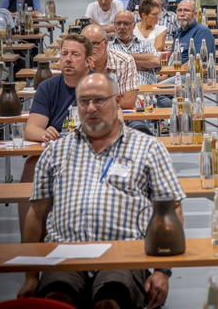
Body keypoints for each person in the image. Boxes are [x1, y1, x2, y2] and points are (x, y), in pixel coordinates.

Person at [17, 72, 185, 309]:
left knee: (110, 300)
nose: (91, 108)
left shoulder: (148, 148)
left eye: (99, 100)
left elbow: (173, 210)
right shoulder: (56, 152)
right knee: (58, 299)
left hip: (123, 255)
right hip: (65, 255)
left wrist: (162, 272)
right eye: (84, 102)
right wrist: (31, 277)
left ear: (117, 101)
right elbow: (36, 215)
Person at [17, 34, 95, 232]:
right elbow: (31, 129)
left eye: (75, 54)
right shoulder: (47, 87)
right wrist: (45, 133)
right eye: (64, 54)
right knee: (31, 166)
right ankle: (30, 240)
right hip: (57, 152)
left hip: (93, 150)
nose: (68, 59)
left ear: (88, 61)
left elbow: (114, 125)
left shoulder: (99, 85)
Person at [81, 23, 139, 110]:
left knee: (139, 124)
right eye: (85, 44)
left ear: (105, 43)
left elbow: (128, 102)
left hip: (122, 116)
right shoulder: (78, 63)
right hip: (87, 117)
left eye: (94, 44)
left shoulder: (125, 61)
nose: (89, 49)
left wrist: (96, 106)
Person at [109, 10, 161, 87]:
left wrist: (119, 60)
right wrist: (144, 61)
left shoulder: (146, 44)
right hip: (118, 93)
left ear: (134, 26)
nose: (122, 27)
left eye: (126, 23)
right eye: (118, 23)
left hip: (145, 93)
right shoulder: (108, 46)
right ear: (114, 25)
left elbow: (156, 62)